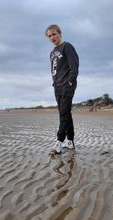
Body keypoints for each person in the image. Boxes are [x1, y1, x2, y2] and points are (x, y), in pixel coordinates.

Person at [45, 24, 79, 154]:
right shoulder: (52, 52)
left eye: (54, 34)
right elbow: (54, 70)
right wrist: (54, 83)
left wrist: (70, 81)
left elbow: (74, 65)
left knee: (63, 114)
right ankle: (70, 141)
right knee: (65, 114)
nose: (52, 37)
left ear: (59, 33)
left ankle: (59, 142)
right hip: (57, 86)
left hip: (67, 85)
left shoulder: (67, 47)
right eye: (49, 36)